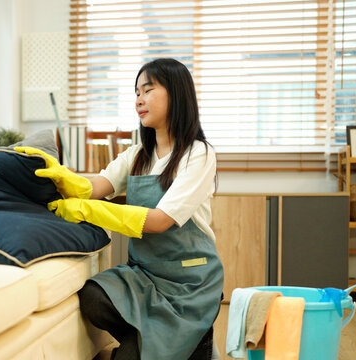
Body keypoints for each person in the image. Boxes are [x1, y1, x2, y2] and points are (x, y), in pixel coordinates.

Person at [16, 58, 224, 359]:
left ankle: (185, 340)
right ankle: (168, 341)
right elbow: (97, 186)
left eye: (148, 90)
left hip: (190, 283)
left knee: (131, 354)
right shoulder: (138, 154)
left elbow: (160, 221)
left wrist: (90, 211)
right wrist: (61, 177)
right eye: (136, 92)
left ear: (177, 95)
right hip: (147, 274)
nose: (139, 99)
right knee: (93, 297)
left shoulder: (199, 155)